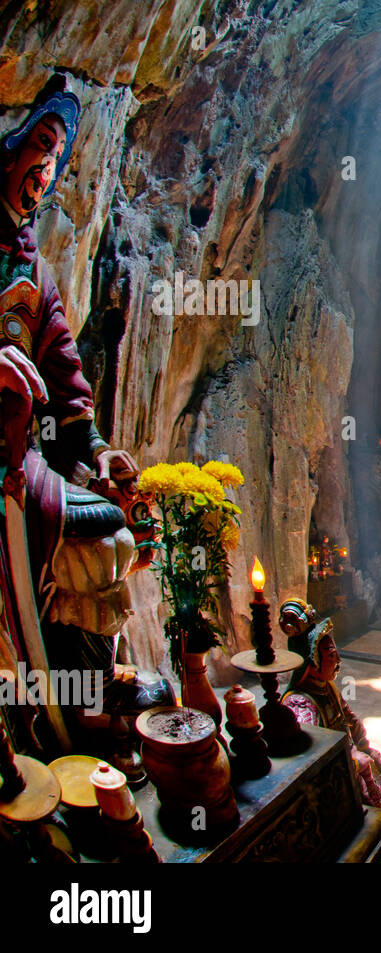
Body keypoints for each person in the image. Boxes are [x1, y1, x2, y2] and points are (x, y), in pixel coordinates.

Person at [0, 80, 155, 755]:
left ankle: (79, 707)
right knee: (89, 543)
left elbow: (65, 386)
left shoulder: (37, 269)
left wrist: (96, 451)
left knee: (120, 534)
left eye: (57, 160)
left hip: (23, 463)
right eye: (40, 146)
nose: (45, 169)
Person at [278, 599, 381, 810]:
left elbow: (350, 723)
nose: (338, 659)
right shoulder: (301, 705)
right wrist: (355, 763)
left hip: (355, 769)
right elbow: (312, 764)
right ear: (312, 661)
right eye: (330, 654)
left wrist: (365, 748)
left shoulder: (327, 688)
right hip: (336, 788)